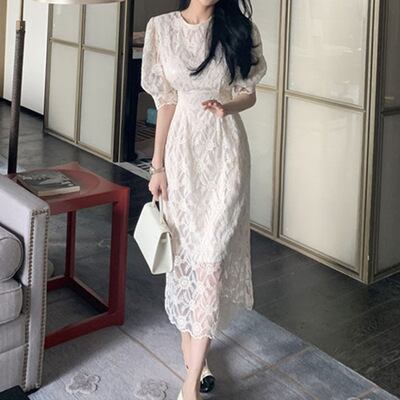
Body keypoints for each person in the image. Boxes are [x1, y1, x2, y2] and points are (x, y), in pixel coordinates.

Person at [140, 0, 267, 399]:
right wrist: (157, 166)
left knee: (212, 260)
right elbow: (166, 102)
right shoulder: (161, 28)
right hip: (182, 154)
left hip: (225, 152)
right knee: (184, 255)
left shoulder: (239, 28)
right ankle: (192, 350)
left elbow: (248, 93)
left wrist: (226, 106)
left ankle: (191, 381)